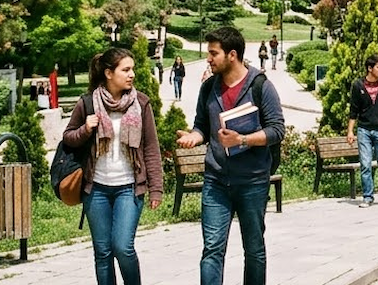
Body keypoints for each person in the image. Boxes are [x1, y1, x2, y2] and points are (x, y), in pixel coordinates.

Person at [176, 26, 285, 285]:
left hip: (252, 181)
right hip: (216, 181)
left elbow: (277, 130)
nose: (208, 59)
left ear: (232, 54)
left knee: (254, 249)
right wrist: (195, 136)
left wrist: (243, 139)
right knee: (212, 249)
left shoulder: (261, 86)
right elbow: (202, 125)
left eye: (214, 53)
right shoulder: (208, 88)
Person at [62, 48, 163, 285]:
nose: (132, 75)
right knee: (103, 252)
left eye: (132, 69)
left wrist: (156, 188)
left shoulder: (141, 103)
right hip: (95, 189)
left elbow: (151, 147)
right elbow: (68, 137)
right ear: (109, 73)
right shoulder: (88, 103)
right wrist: (86, 129)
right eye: (125, 70)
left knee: (122, 246)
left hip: (129, 187)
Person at [347, 55, 378, 208]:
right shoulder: (358, 86)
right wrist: (350, 131)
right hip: (364, 130)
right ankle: (368, 196)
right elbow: (353, 110)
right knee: (365, 164)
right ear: (370, 68)